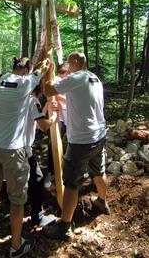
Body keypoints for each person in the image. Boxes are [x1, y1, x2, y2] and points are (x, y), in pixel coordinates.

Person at [0, 57, 50, 258]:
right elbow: (42, 72)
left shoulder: (3, 79)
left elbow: (31, 76)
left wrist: (34, 67)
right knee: (17, 198)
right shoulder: (26, 85)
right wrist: (45, 64)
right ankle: (16, 245)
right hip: (13, 149)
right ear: (28, 70)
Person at [43, 51, 109, 241]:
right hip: (99, 135)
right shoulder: (93, 77)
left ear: (74, 62)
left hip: (82, 140)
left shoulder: (76, 77)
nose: (67, 66)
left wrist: (49, 70)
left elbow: (48, 90)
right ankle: (102, 202)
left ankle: (64, 226)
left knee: (71, 183)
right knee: (98, 171)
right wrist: (61, 104)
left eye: (69, 63)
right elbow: (79, 101)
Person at [26, 83, 57, 227]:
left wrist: (45, 109)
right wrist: (54, 116)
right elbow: (44, 126)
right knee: (37, 179)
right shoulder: (32, 100)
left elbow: (37, 123)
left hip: (0, 146)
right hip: (21, 149)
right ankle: (37, 216)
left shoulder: (17, 97)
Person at [44, 62, 70, 189]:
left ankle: (70, 170)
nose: (63, 77)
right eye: (61, 75)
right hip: (58, 118)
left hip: (71, 118)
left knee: (72, 144)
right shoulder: (57, 80)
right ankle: (51, 172)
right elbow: (48, 91)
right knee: (52, 144)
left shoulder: (73, 80)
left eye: (64, 75)